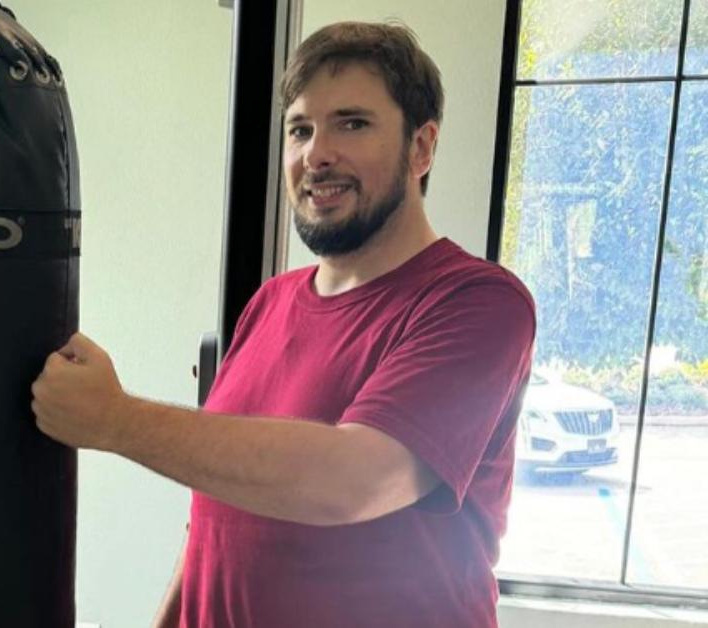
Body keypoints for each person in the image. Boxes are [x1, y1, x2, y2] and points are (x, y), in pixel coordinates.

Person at [30, 21, 536, 628]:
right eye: (301, 129)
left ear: (422, 147)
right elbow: (212, 520)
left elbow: (353, 481)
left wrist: (114, 420)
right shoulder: (270, 303)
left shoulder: (477, 303)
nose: (316, 155)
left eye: (353, 123)